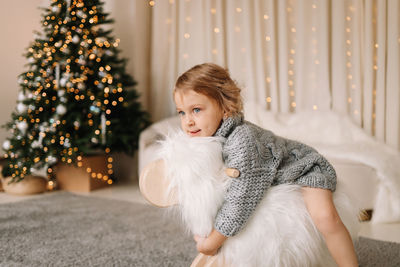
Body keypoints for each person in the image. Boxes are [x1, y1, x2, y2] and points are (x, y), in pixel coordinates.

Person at [173, 63, 359, 267]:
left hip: (305, 169)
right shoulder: (205, 139)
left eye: (196, 110)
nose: (188, 121)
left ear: (225, 108)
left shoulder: (243, 141)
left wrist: (214, 240)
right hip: (271, 175)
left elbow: (242, 197)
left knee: (325, 217)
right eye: (182, 112)